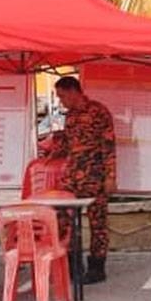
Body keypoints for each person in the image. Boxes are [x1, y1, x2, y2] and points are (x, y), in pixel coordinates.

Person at [50, 76, 116, 284]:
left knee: (97, 223)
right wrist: (54, 146)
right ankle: (73, 265)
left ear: (73, 91)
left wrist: (110, 176)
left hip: (94, 176)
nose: (61, 101)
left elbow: (108, 146)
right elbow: (70, 145)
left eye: (62, 96)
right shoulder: (70, 117)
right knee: (63, 218)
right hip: (72, 177)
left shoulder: (98, 112)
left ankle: (97, 267)